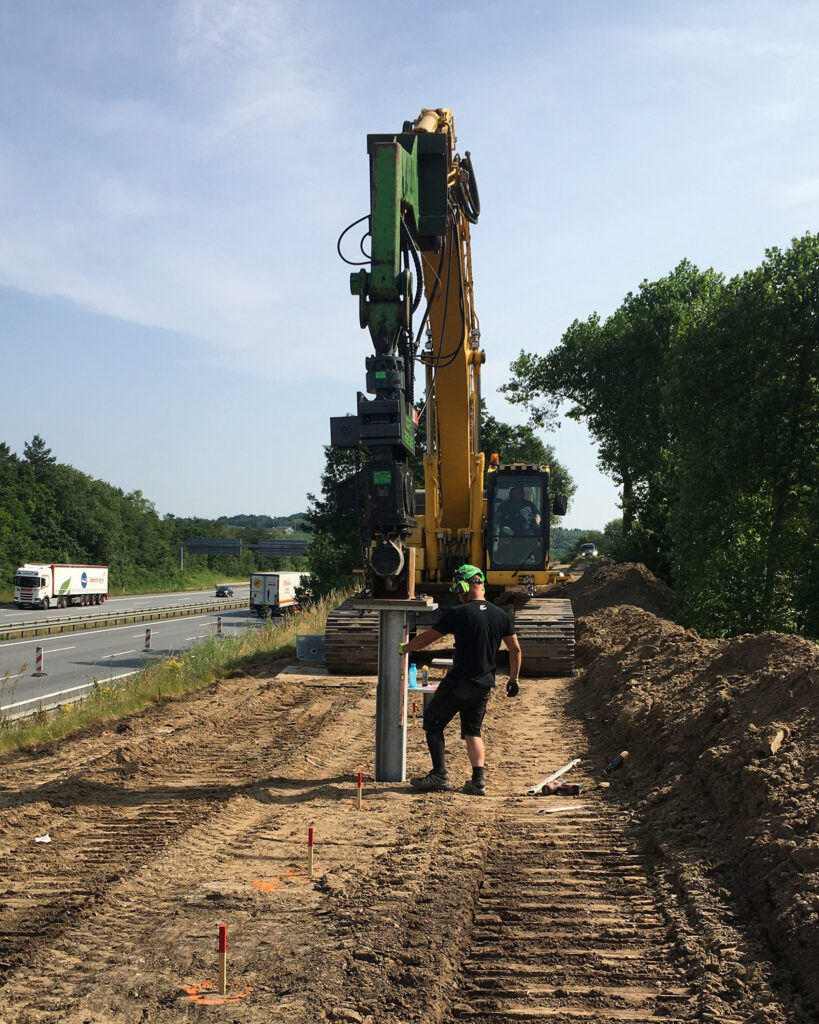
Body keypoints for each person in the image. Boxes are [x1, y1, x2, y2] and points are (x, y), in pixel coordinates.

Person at [397, 564, 522, 796]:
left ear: (463, 586)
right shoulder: (501, 615)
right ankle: (477, 782)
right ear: (481, 583)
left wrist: (405, 648)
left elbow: (426, 640)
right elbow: (515, 650)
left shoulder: (458, 613)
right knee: (473, 731)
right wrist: (513, 679)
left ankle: (439, 775)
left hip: (461, 680)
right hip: (485, 683)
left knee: (433, 722)